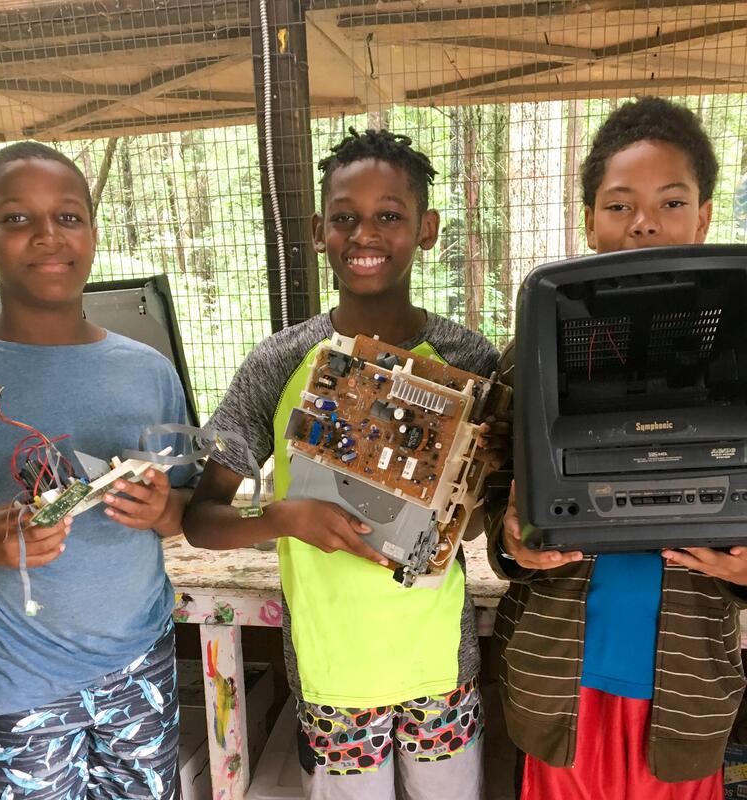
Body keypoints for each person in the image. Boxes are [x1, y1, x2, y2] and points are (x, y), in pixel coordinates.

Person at [184, 128, 504, 800]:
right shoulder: (281, 362)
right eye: (345, 217)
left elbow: (477, 524)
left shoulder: (468, 361)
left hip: (438, 670)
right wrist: (284, 517)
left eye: (389, 215)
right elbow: (202, 519)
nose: (366, 234)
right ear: (317, 231)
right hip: (335, 677)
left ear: (426, 229)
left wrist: (464, 497)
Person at [487, 96, 744, 799]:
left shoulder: (742, 350)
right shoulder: (532, 352)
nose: (644, 223)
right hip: (561, 684)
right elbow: (492, 494)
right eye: (619, 204)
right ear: (590, 223)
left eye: (671, 200)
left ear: (705, 215)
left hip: (685, 695)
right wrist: (513, 539)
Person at [0, 141, 197, 799]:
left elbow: (186, 507)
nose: (47, 236)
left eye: (67, 216)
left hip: (138, 666)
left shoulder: (147, 370)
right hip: (23, 682)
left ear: (90, 231)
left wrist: (164, 510)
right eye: (16, 219)